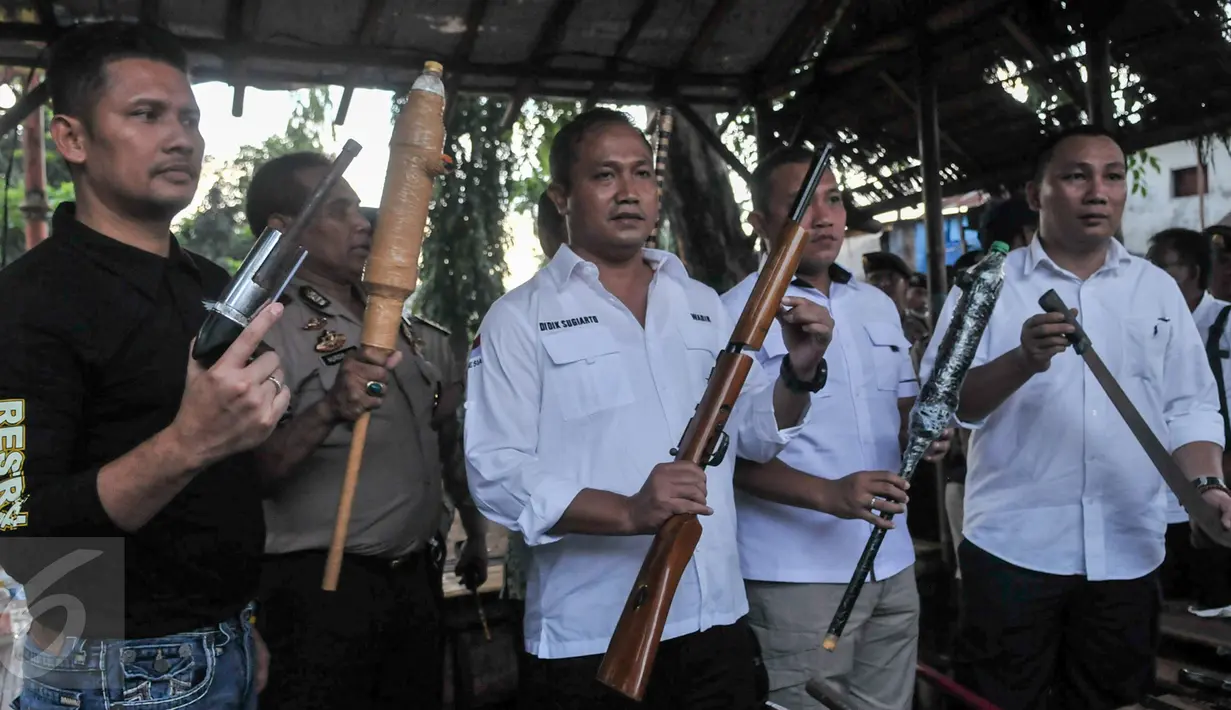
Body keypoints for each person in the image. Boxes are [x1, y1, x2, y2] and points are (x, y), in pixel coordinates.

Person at [464, 108, 832, 709]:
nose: (630, 191)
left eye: (642, 173)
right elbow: (496, 473)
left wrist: (800, 370)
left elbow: (753, 437)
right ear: (563, 195)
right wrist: (629, 511)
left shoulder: (700, 303)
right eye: (605, 176)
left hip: (716, 616)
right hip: (592, 631)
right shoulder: (517, 318)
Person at [0, 21, 284, 708]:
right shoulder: (26, 302)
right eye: (146, 115)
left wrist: (232, 628)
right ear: (71, 139)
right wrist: (188, 443)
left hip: (227, 639)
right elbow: (15, 523)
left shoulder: (211, 283)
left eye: (189, 117)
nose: (181, 136)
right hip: (109, 665)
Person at [922, 124, 1231, 710]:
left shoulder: (1156, 289)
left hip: (1127, 546)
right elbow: (949, 403)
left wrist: (1208, 484)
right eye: (1075, 176)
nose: (1098, 191)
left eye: (1112, 176)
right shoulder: (987, 286)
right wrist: (1022, 359)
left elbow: (1189, 406)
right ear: (1037, 194)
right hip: (1013, 547)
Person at [246, 153, 479, 709]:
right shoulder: (267, 325)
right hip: (324, 590)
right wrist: (328, 409)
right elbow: (252, 472)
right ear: (284, 228)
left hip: (415, 579)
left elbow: (438, 436)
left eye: (358, 208)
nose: (362, 223)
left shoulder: (396, 319)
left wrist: (471, 521)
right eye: (338, 210)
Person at [722, 146, 949, 710]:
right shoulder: (733, 312)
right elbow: (722, 455)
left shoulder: (874, 305)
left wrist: (925, 437)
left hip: (891, 562)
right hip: (797, 576)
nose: (823, 218)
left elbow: (900, 416)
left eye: (835, 199)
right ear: (761, 223)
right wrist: (828, 493)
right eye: (802, 205)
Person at [1147, 227, 1231, 618]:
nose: (1151, 276)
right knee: (1166, 609)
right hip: (1159, 499)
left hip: (1215, 491)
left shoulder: (1225, 324)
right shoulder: (1147, 328)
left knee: (1215, 605)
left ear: (1193, 271)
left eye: (1163, 266)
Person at [863, 250, 931, 372]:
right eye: (875, 279)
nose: (883, 284)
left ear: (906, 284)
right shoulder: (858, 328)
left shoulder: (920, 327)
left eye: (891, 278)